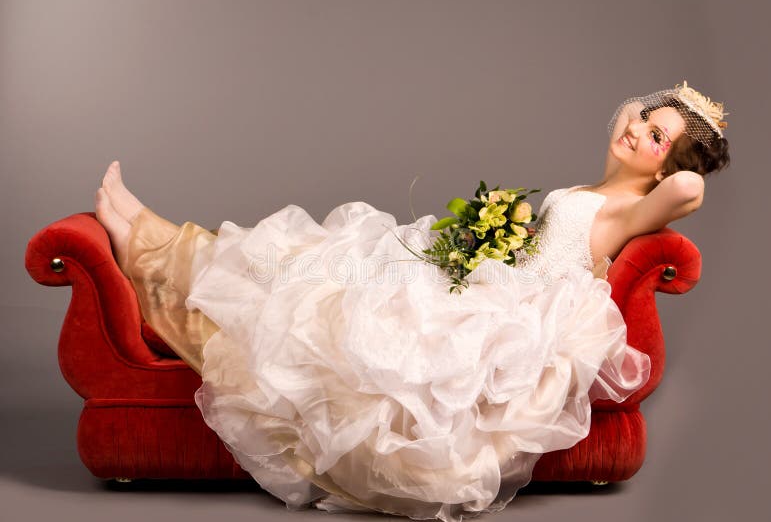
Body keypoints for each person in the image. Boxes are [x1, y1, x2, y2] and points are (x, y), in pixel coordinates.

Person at [93, 81, 729, 521]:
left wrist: (691, 128)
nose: (639, 128)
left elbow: (690, 189)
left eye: (657, 136)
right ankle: (155, 237)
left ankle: (148, 244)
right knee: (313, 256)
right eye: (645, 118)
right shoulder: (598, 190)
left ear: (666, 162)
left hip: (502, 314)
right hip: (484, 283)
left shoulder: (630, 209)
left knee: (321, 300)